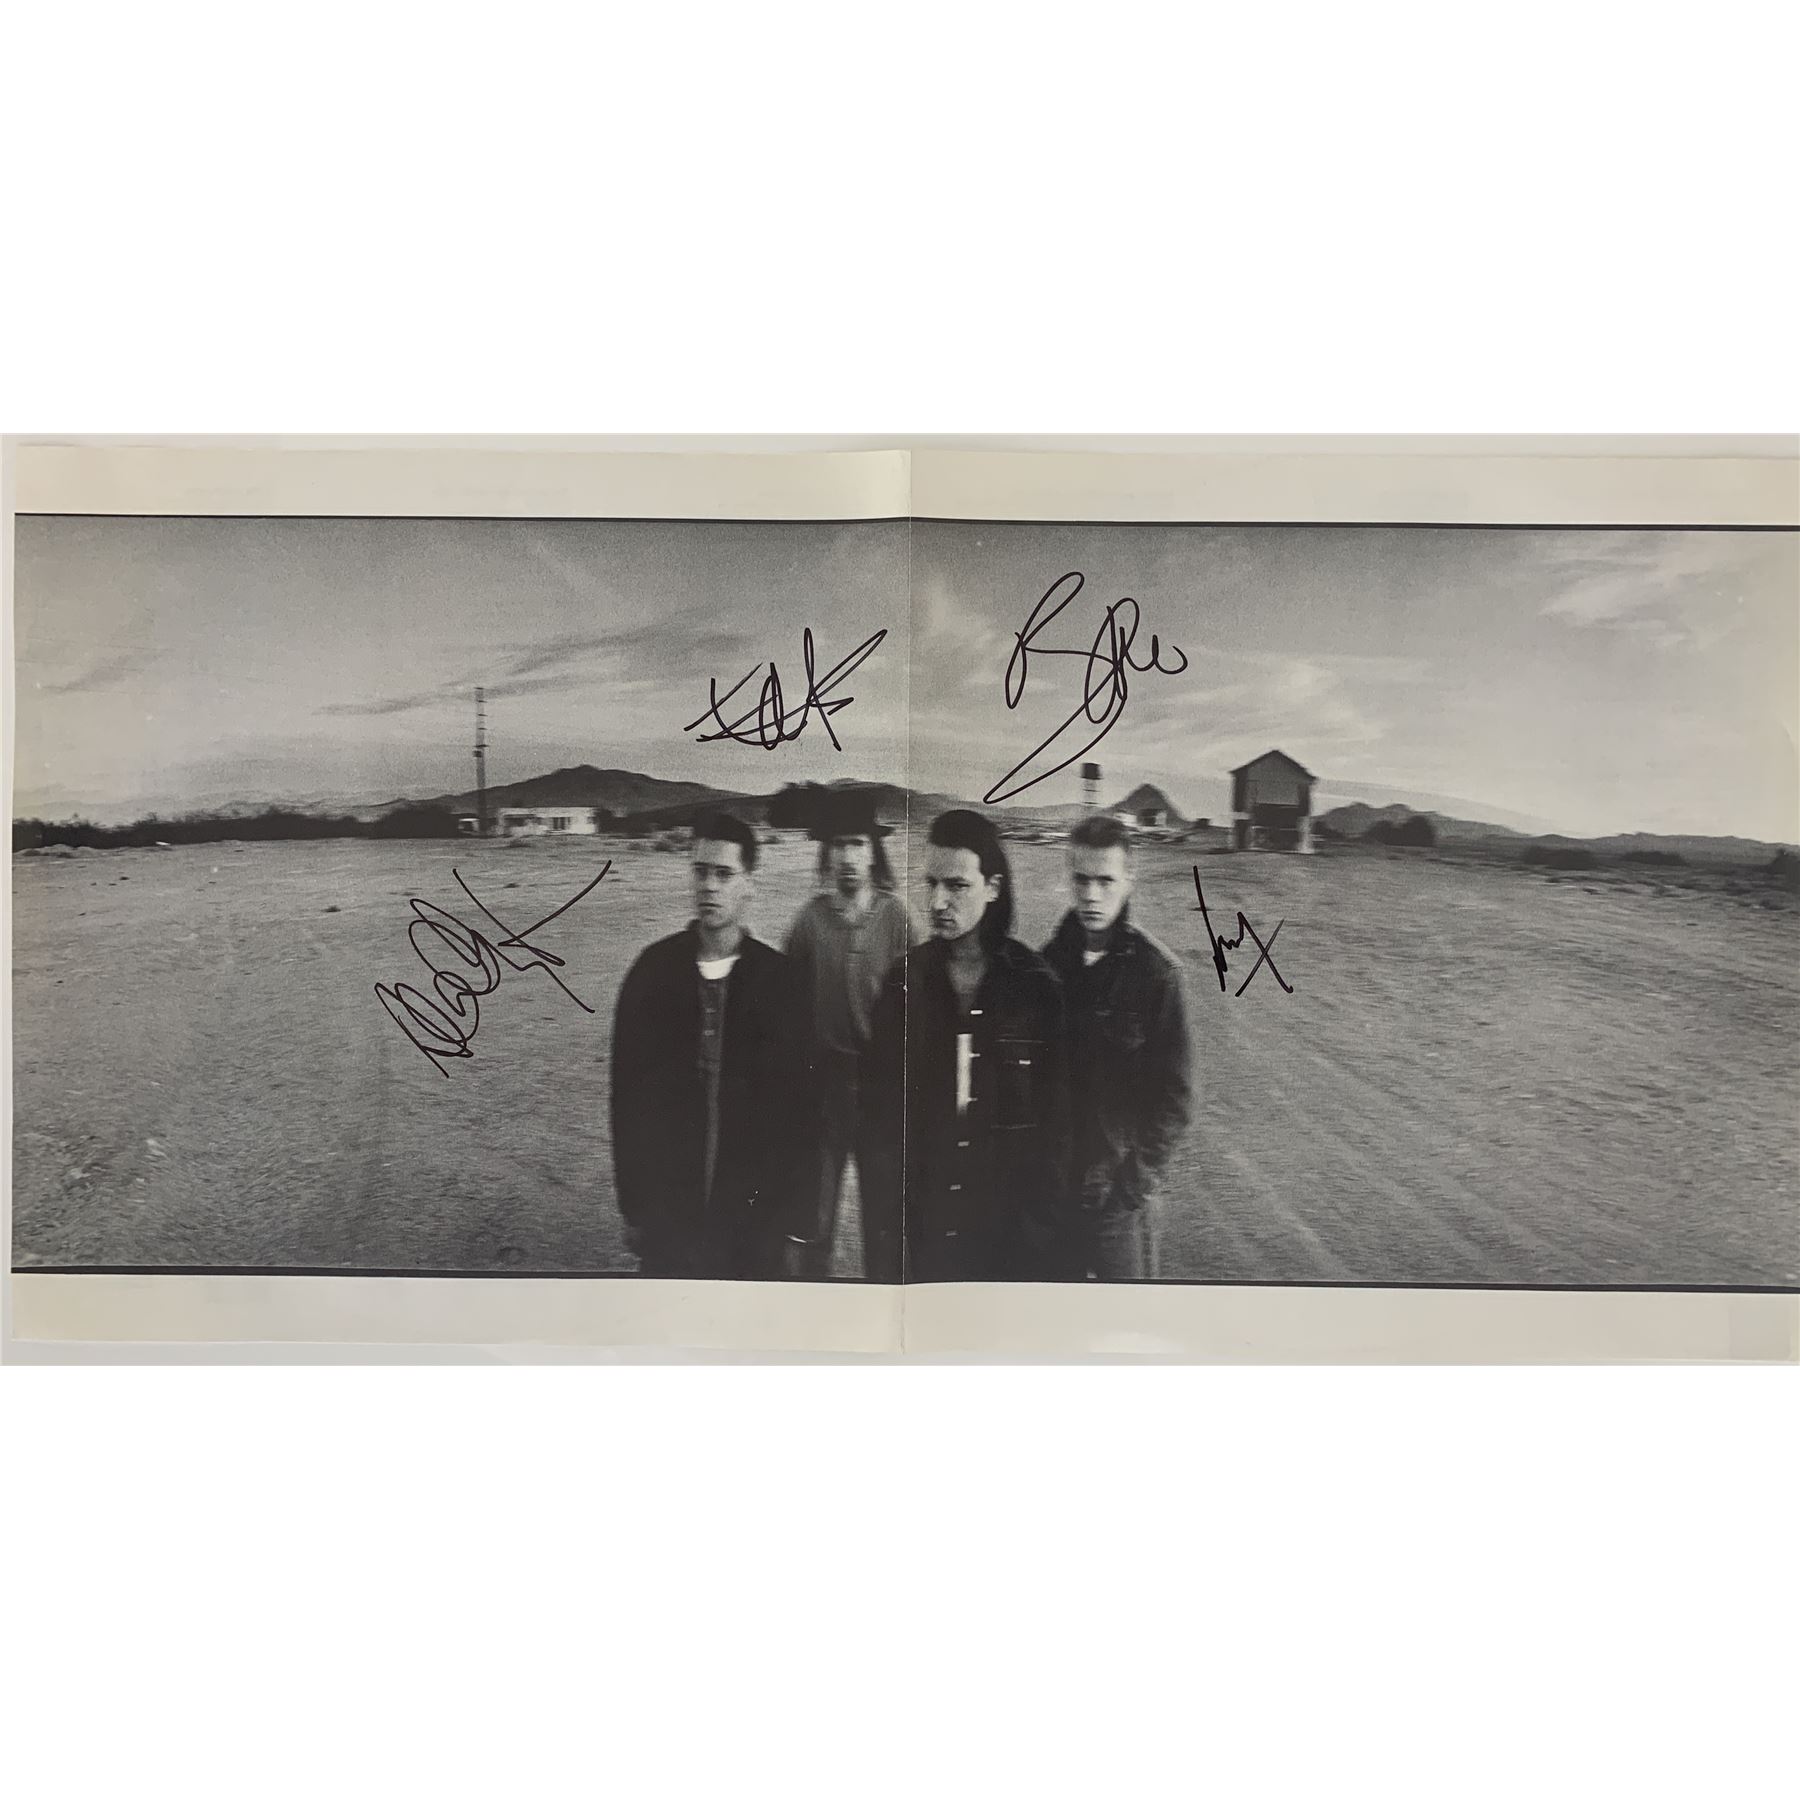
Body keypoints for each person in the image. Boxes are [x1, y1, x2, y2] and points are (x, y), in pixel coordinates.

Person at [864, 808, 1069, 1281]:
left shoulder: (1037, 987)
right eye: (932, 884)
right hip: (928, 1233)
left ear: (993, 888)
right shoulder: (902, 982)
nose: (938, 901)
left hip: (1009, 1238)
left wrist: (1040, 1232)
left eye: (957, 886)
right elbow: (878, 1120)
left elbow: (1057, 1131)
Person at [609, 810, 816, 1279]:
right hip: (670, 1215)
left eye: (724, 874)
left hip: (752, 1221)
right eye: (700, 872)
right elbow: (627, 1100)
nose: (709, 886)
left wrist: (796, 1223)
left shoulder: (780, 982)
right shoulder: (652, 972)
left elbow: (802, 1112)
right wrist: (634, 1207)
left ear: (749, 884)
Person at [1037, 813, 1192, 1278]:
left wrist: (1131, 1187)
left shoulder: (1156, 975)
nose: (1091, 895)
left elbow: (1176, 1098)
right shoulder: (1044, 968)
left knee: (1126, 1319)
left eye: (1105, 881)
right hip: (1053, 1198)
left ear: (1128, 881)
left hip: (1118, 1208)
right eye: (1081, 880)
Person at [781, 789, 921, 1278]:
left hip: (881, 1089)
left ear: (873, 851)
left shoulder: (897, 919)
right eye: (838, 844)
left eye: (858, 844)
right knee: (814, 1218)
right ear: (827, 852)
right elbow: (787, 1007)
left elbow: (920, 1009)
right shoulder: (809, 922)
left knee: (884, 1221)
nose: (847, 857)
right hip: (824, 1088)